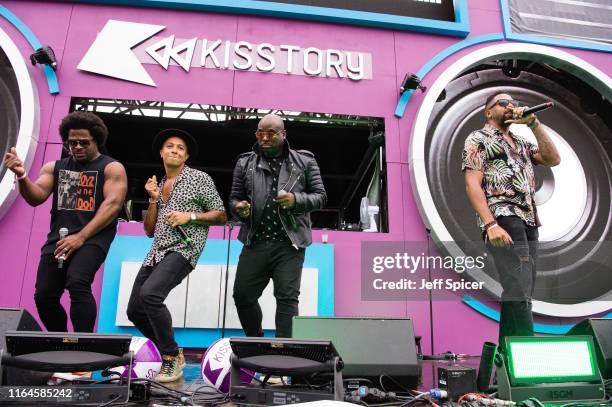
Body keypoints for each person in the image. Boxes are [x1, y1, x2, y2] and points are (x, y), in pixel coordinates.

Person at [3, 111, 128, 333]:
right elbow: (36, 196)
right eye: (72, 143)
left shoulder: (111, 168)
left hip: (93, 236)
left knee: (78, 282)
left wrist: (80, 237)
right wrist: (22, 176)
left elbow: (113, 205)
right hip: (60, 237)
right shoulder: (55, 167)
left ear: (96, 141)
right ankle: (60, 341)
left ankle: (83, 343)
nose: (77, 147)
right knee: (44, 295)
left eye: (83, 142)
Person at [126, 128, 226, 383]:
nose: (174, 150)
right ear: (161, 152)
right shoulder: (159, 185)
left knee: (150, 295)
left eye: (180, 148)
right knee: (135, 310)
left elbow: (221, 215)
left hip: (184, 248)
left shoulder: (198, 178)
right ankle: (173, 351)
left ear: (186, 156)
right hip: (156, 251)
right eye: (170, 146)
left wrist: (190, 216)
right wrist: (152, 200)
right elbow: (149, 230)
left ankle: (170, 358)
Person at [462, 93, 561, 349]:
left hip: (529, 219)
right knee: (517, 286)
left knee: (522, 291)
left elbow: (553, 159)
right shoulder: (478, 138)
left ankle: (510, 355)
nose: (510, 106)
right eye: (503, 103)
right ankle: (525, 354)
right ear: (488, 112)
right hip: (503, 216)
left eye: (513, 103)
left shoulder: (521, 141)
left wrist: (533, 124)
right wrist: (490, 224)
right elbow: (472, 183)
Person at [229, 114, 326, 338]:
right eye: (260, 133)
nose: (264, 137)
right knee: (242, 295)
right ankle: (256, 342)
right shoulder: (245, 163)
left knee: (286, 299)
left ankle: (283, 354)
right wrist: (240, 208)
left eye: (271, 133)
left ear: (283, 134)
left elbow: (321, 197)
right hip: (256, 242)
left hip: (289, 243)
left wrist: (296, 200)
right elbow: (234, 198)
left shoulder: (305, 161)